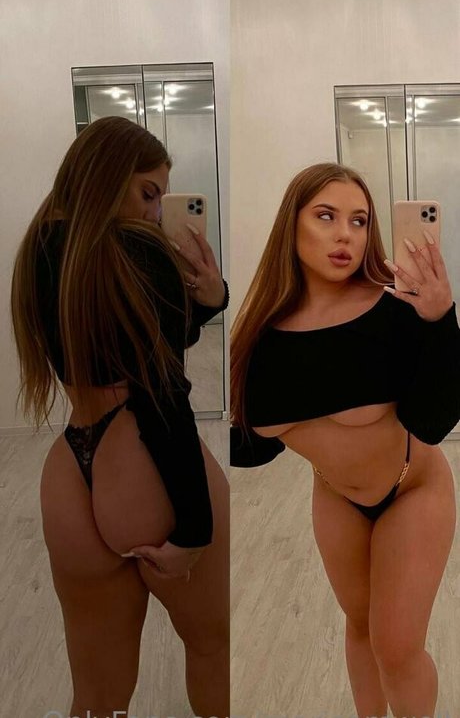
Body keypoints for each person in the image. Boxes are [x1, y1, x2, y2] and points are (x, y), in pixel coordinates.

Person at [10, 116, 229, 718]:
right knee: (213, 649)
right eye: (148, 193)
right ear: (108, 176)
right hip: (141, 461)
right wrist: (193, 530)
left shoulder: (41, 248)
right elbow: (163, 391)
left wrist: (207, 300)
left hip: (70, 467)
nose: (155, 213)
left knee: (97, 694)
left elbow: (136, 342)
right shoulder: (138, 250)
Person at [230, 162, 460, 718]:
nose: (346, 235)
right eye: (326, 216)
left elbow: (433, 423)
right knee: (360, 627)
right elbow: (251, 448)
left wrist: (440, 321)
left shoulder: (393, 309)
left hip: (413, 488)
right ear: (292, 224)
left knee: (397, 649)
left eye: (359, 221)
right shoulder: (261, 338)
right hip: (336, 497)